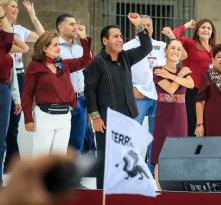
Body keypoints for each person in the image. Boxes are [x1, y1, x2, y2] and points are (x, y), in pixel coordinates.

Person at [83, 13, 152, 189]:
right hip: (106, 120)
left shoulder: (126, 58)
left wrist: (138, 26)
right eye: (115, 36)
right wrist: (95, 116)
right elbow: (89, 91)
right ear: (104, 41)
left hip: (128, 118)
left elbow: (146, 47)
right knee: (106, 158)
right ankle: (101, 194)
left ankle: (120, 193)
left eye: (121, 36)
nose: (120, 39)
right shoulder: (96, 63)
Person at [122, 16, 186, 172]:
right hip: (139, 96)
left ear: (152, 27)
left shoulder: (161, 45)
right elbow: (121, 70)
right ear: (136, 27)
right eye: (142, 25)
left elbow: (183, 56)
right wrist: (130, 88)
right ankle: (129, 170)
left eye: (149, 25)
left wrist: (172, 37)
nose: (146, 28)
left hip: (160, 96)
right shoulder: (128, 46)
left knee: (155, 136)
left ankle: (151, 171)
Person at [22, 28, 92, 157]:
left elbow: (86, 60)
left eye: (59, 44)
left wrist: (83, 38)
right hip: (44, 116)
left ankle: (58, 178)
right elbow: (27, 94)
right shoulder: (35, 66)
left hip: (65, 116)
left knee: (58, 158)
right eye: (55, 45)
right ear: (44, 48)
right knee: (41, 157)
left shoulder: (64, 65)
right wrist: (28, 118)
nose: (59, 47)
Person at [0, 0, 44, 171]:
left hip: (17, 75)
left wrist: (33, 16)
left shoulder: (19, 29)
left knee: (13, 121)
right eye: (12, 6)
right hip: (5, 74)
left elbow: (42, 37)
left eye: (17, 7)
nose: (16, 9)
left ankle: (11, 163)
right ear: (2, 8)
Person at [150, 38, 193, 187]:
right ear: (166, 50)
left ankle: (176, 189)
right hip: (164, 114)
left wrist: (171, 76)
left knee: (179, 151)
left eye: (178, 49)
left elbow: (191, 84)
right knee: (160, 152)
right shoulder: (157, 69)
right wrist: (179, 76)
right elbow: (170, 89)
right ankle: (160, 190)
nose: (175, 51)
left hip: (180, 115)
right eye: (173, 48)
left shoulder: (184, 71)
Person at [173, 18, 218, 136]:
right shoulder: (190, 44)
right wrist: (187, 25)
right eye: (203, 27)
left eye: (209, 28)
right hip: (192, 90)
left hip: (210, 92)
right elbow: (175, 34)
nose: (206, 30)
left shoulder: (215, 48)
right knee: (192, 124)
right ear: (197, 31)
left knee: (208, 124)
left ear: (212, 32)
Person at [57, 14, 89, 153]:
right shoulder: (54, 46)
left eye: (76, 23)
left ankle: (73, 173)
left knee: (77, 139)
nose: (75, 27)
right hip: (62, 100)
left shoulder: (80, 47)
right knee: (60, 140)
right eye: (71, 24)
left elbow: (89, 64)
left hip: (81, 98)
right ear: (60, 27)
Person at [0, 5, 15, 186]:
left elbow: (10, 34)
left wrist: (3, 14)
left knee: (1, 139)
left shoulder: (3, 41)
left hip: (3, 88)